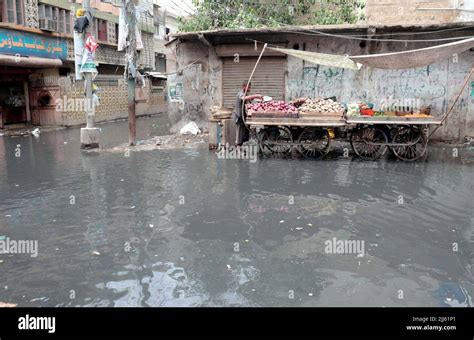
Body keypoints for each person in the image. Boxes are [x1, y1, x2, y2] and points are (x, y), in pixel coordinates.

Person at [233, 81, 263, 148]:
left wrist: (256, 100)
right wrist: (256, 95)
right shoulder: (241, 93)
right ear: (244, 87)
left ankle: (241, 147)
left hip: (244, 117)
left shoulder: (246, 94)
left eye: (250, 87)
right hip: (239, 117)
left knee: (245, 133)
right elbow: (243, 98)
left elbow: (249, 101)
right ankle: (237, 148)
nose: (249, 88)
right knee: (239, 134)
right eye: (248, 87)